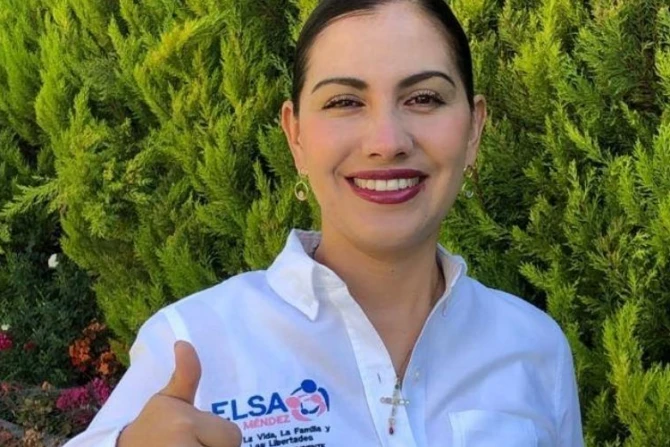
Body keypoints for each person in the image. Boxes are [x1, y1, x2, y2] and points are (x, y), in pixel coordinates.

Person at [64, 0, 584, 446]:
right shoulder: (193, 342)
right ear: (295, 136)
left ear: (473, 129)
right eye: (344, 102)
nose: (387, 141)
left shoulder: (534, 347)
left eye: (424, 98)